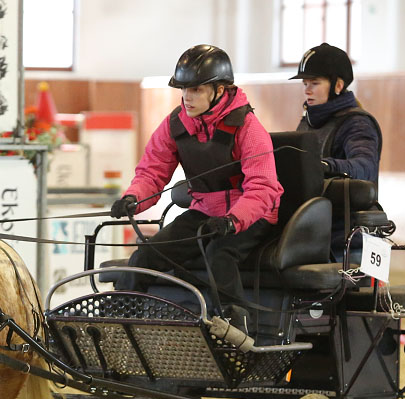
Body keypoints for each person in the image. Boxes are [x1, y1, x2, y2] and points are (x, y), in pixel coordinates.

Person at [110, 44, 283, 334]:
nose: (187, 98)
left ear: (220, 90)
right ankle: (117, 328)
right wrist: (133, 198)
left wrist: (232, 220)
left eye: (196, 90)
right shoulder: (175, 125)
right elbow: (152, 171)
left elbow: (263, 188)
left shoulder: (249, 128)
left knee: (219, 255)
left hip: (250, 216)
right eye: (184, 90)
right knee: (144, 257)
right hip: (204, 214)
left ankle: (238, 331)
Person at [291, 42, 381, 260]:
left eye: (315, 83)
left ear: (338, 85)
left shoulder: (357, 123)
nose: (307, 90)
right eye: (305, 83)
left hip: (348, 236)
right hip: (316, 227)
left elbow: (364, 166)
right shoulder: (309, 121)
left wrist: (324, 165)